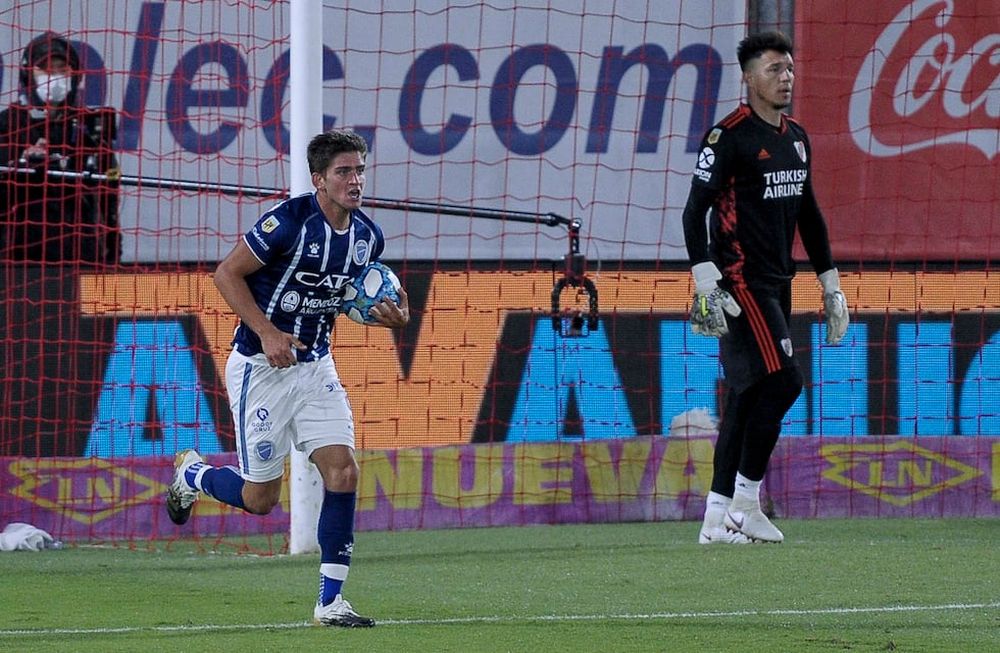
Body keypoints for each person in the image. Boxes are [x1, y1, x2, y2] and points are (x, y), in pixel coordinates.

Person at [165, 129, 409, 627]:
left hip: (315, 366)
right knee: (260, 499)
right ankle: (192, 474)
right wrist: (268, 332)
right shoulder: (287, 223)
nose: (355, 180)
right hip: (261, 368)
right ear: (318, 179)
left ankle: (331, 602)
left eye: (359, 169)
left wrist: (394, 315)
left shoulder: (367, 237)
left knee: (343, 472)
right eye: (343, 171)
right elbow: (226, 274)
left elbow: (350, 295)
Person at [681, 32, 849, 544]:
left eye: (790, 69)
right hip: (740, 282)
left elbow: (809, 214)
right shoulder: (726, 137)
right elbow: (694, 212)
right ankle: (746, 504)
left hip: (779, 281)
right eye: (775, 70)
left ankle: (715, 520)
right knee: (785, 383)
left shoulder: (796, 136)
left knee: (748, 393)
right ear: (749, 78)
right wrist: (706, 278)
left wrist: (830, 283)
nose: (786, 78)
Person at [0, 31, 120, 263]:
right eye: (44, 69)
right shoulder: (8, 124)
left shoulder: (90, 128)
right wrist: (21, 164)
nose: (53, 76)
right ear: (28, 74)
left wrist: (113, 257)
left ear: (74, 76)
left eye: (61, 69)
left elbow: (110, 200)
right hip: (20, 262)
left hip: (81, 257)